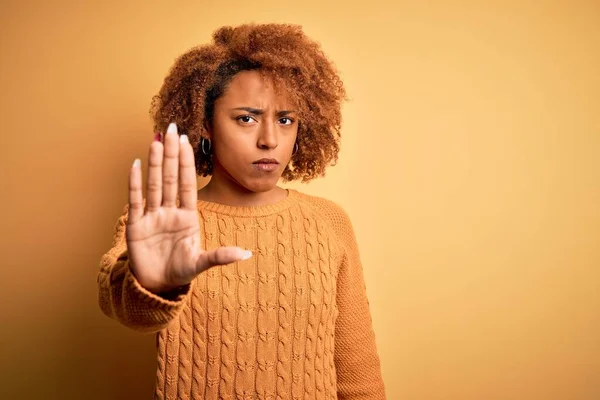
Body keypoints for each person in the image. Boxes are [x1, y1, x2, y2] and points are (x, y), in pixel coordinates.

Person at [97, 23, 386, 400]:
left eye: (285, 120)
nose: (269, 139)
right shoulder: (163, 220)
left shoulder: (329, 221)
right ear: (205, 125)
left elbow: (357, 375)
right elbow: (123, 306)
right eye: (246, 118)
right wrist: (153, 284)